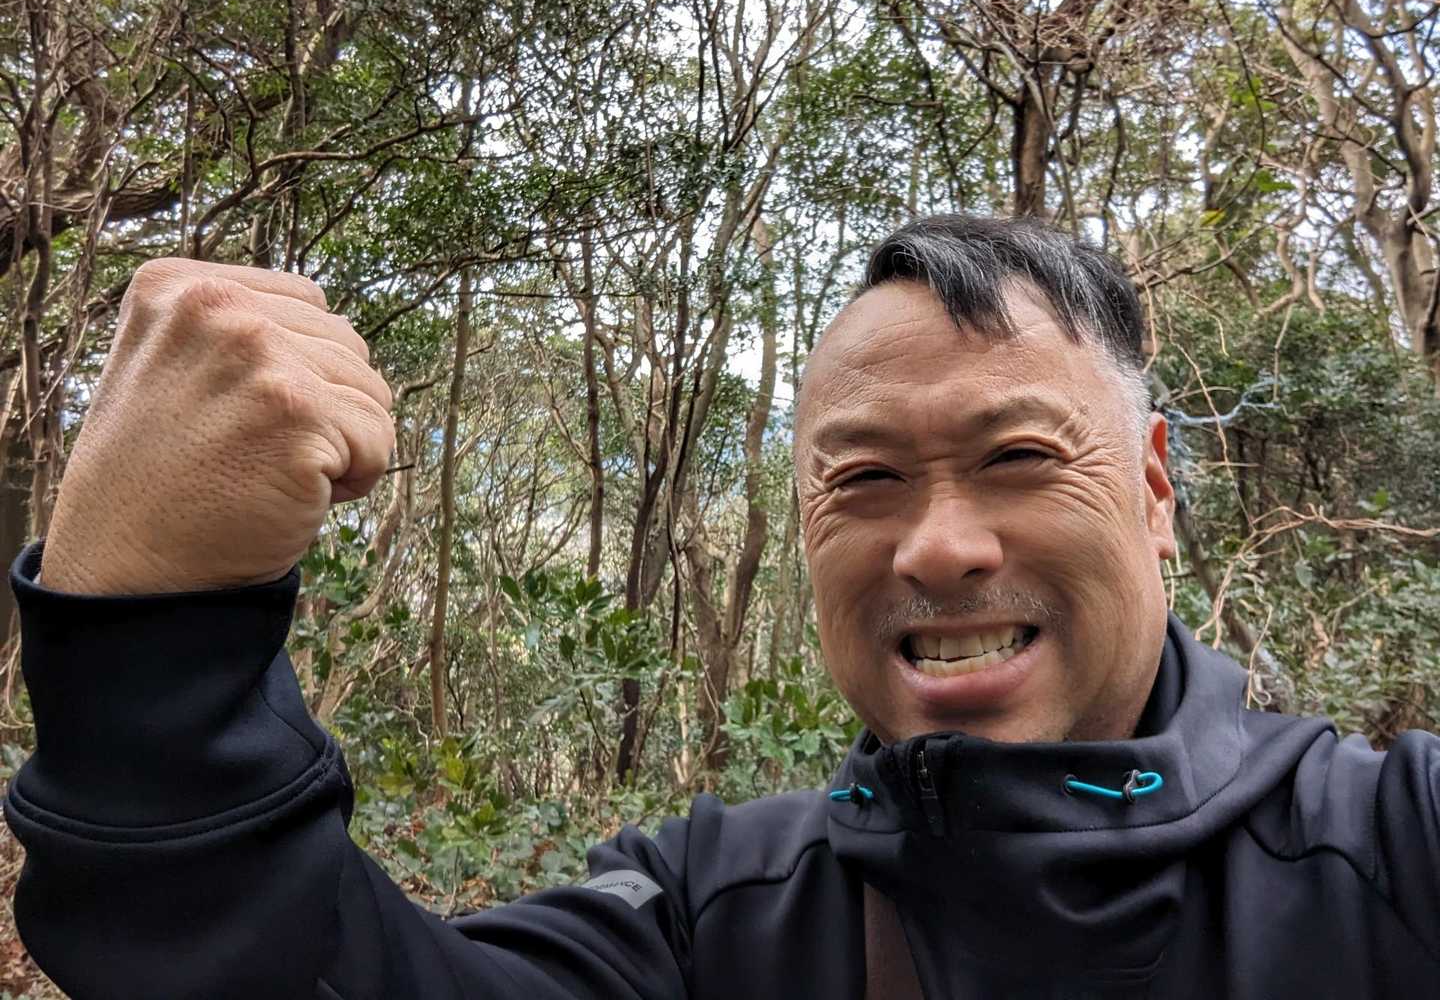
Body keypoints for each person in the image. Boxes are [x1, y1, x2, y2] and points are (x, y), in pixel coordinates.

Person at [5, 215, 1438, 1000]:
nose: (939, 547)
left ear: (1155, 487)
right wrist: (150, 635)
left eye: (1016, 456)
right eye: (862, 478)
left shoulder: (1396, 850)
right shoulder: (711, 918)